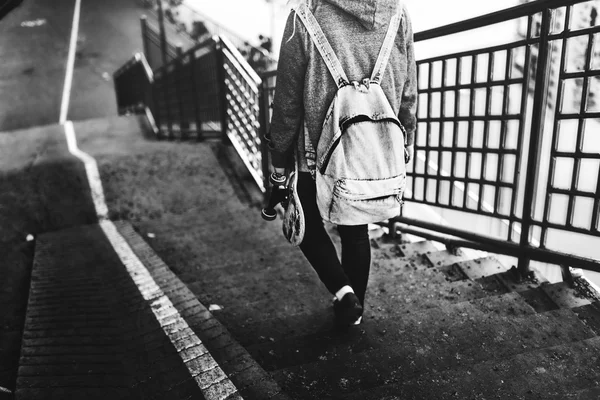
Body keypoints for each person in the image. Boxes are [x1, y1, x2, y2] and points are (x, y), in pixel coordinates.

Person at [267, 0, 417, 327]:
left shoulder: (303, 17)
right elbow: (408, 93)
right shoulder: (397, 15)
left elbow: (287, 105)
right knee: (355, 230)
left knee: (304, 222)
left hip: (316, 152)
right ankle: (354, 310)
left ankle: (344, 292)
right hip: (370, 150)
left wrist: (278, 161)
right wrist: (404, 142)